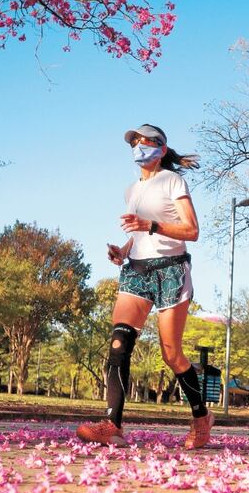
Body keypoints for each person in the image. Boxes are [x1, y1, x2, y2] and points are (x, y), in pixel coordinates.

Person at [76, 124, 214, 449]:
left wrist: (150, 225)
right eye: (134, 142)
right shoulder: (132, 189)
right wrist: (123, 251)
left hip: (171, 271)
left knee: (172, 355)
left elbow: (192, 230)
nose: (139, 147)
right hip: (136, 270)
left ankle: (201, 418)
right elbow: (138, 233)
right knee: (118, 344)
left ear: (162, 149)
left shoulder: (173, 180)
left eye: (146, 141)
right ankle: (112, 425)